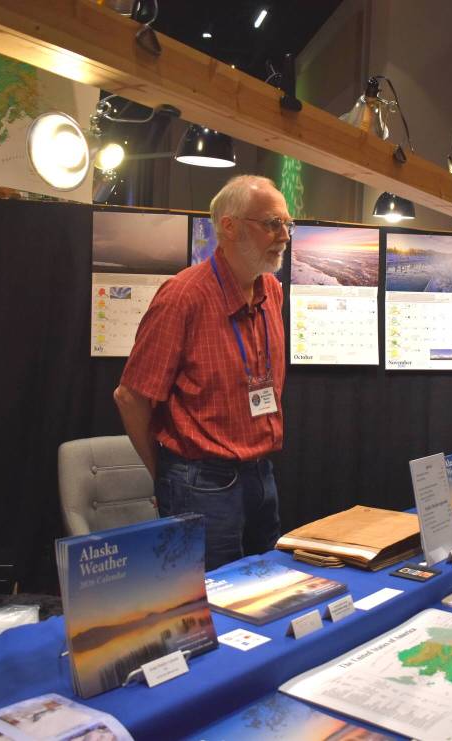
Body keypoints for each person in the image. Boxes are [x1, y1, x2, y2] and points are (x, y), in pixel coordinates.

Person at [114, 175, 291, 570]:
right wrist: (164, 475)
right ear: (229, 226)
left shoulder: (271, 292)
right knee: (213, 607)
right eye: (272, 224)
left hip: (261, 476)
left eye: (287, 224)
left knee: (266, 595)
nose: (284, 235)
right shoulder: (183, 297)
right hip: (201, 483)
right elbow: (130, 397)